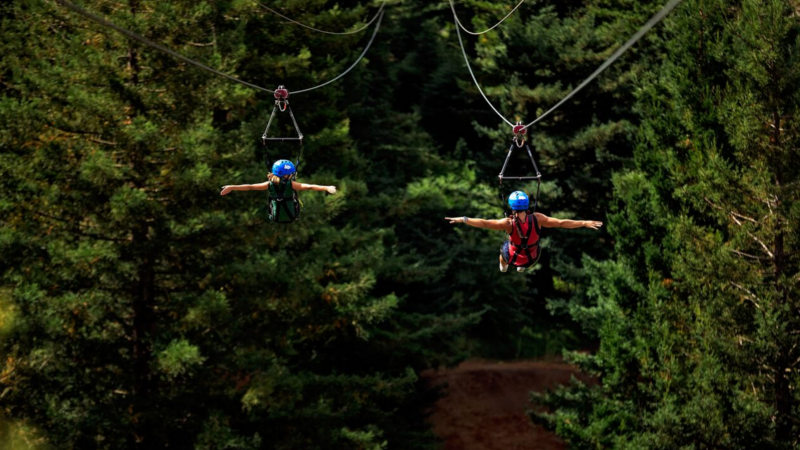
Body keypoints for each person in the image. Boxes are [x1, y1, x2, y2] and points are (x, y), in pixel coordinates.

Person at [444, 191, 603, 272]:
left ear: (512, 207)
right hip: (532, 258)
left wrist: (463, 219)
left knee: (503, 250)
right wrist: (584, 222)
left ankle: (504, 266)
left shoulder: (508, 223)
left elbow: (485, 223)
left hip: (512, 257)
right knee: (531, 245)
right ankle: (522, 267)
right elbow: (561, 223)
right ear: (526, 205)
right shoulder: (538, 218)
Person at [220, 159, 336, 223]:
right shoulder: (292, 185)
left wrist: (232, 187)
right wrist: (326, 188)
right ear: (286, 175)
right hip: (290, 214)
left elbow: (250, 186)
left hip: (276, 215)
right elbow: (309, 186)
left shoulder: (269, 184)